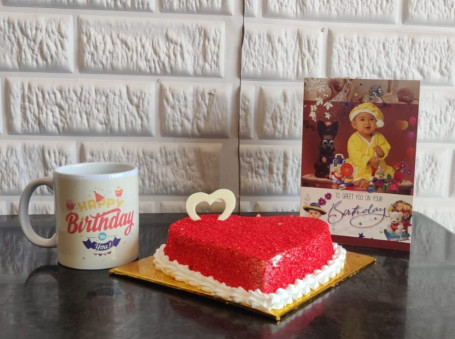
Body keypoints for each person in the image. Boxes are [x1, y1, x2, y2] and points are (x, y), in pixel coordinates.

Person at [346, 102, 394, 190]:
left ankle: (374, 181)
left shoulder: (379, 136)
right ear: (354, 124)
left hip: (377, 165)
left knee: (388, 172)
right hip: (361, 165)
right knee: (355, 172)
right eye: (362, 119)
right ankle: (364, 181)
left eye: (371, 119)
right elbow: (354, 154)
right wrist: (368, 160)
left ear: (376, 123)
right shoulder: (354, 139)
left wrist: (381, 152)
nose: (367, 123)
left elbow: (385, 146)